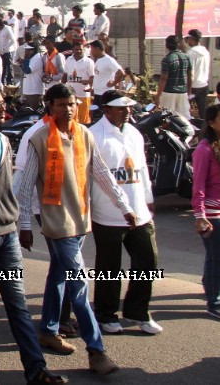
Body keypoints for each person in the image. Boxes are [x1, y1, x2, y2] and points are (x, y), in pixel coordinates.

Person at [16, 83, 136, 376]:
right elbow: (25, 186)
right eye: (60, 104)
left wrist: (124, 206)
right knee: (79, 284)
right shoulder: (40, 138)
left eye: (71, 104)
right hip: (58, 223)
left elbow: (101, 173)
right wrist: (26, 223)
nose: (67, 109)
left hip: (80, 219)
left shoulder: (85, 134)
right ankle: (96, 351)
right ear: (50, 107)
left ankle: (47, 329)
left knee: (59, 274)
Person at [0, 83, 67, 385]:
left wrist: (22, 224)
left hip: (6, 236)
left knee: (18, 305)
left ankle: (37, 369)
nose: (2, 106)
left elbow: (12, 190)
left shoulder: (6, 142)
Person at [88, 91, 161, 335]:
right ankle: (106, 314)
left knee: (148, 260)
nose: (126, 112)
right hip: (107, 213)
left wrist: (148, 199)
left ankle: (138, 311)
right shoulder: (94, 136)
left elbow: (142, 169)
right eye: (120, 108)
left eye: (128, 108)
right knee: (109, 266)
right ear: (106, 110)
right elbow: (89, 176)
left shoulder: (134, 133)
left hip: (139, 211)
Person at [192, 104, 220, 320]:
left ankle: (209, 287)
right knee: (215, 257)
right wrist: (200, 215)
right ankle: (214, 301)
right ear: (211, 123)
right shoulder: (204, 149)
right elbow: (198, 185)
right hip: (211, 212)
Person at [155, 34, 192, 118]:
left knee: (167, 117)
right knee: (184, 117)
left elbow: (164, 78)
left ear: (167, 45)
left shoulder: (167, 59)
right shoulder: (186, 57)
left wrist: (158, 95)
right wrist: (189, 91)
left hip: (169, 92)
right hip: (183, 92)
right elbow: (190, 76)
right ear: (178, 45)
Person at [89, 40, 123, 108]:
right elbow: (99, 76)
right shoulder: (98, 60)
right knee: (96, 116)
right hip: (97, 94)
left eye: (92, 49)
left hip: (105, 95)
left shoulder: (108, 60)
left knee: (103, 116)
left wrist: (113, 83)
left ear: (97, 49)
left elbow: (121, 72)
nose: (91, 52)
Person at [186, 29, 211, 119]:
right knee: (203, 112)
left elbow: (190, 73)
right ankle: (205, 130)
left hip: (193, 87)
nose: (187, 41)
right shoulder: (206, 51)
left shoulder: (191, 53)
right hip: (203, 85)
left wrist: (189, 91)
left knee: (185, 111)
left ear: (192, 39)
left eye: (188, 38)